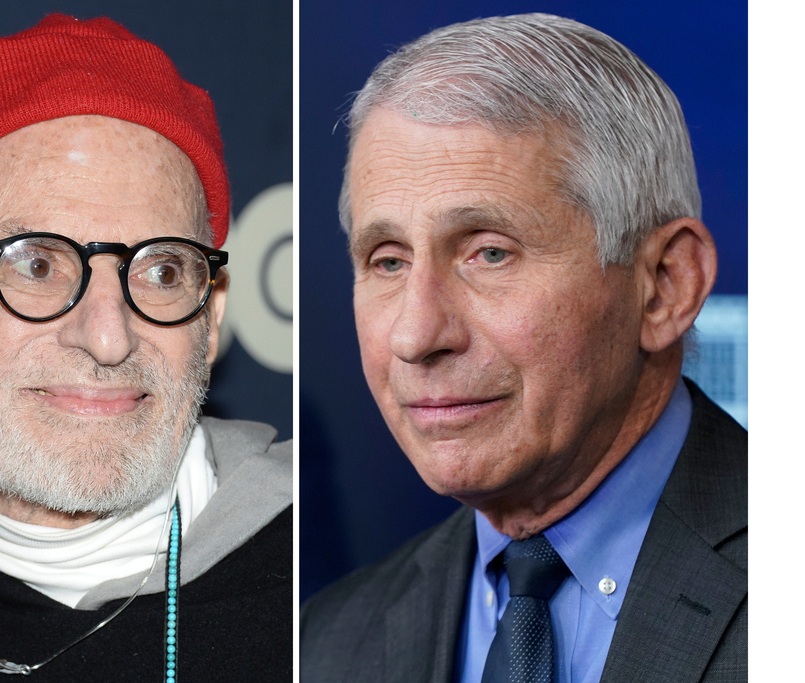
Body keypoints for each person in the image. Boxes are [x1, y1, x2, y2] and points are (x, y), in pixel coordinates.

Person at [0, 15, 291, 681]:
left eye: (161, 271)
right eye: (36, 265)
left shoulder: (323, 595)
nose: (108, 337)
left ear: (212, 312)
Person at [300, 13, 745, 683]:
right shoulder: (328, 643)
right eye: (387, 261)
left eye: (489, 252)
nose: (417, 335)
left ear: (663, 287)